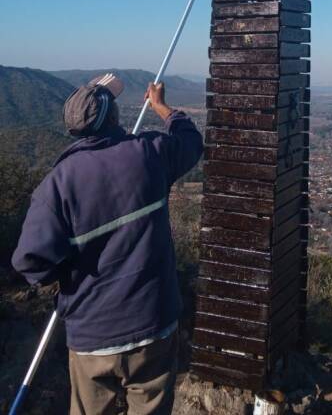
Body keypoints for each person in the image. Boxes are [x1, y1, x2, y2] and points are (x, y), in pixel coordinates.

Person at [12, 73, 204, 415]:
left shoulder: (56, 187)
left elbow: (30, 262)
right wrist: (162, 107)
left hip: (92, 335)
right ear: (113, 118)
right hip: (153, 324)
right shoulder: (148, 155)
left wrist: (64, 282)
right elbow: (189, 141)